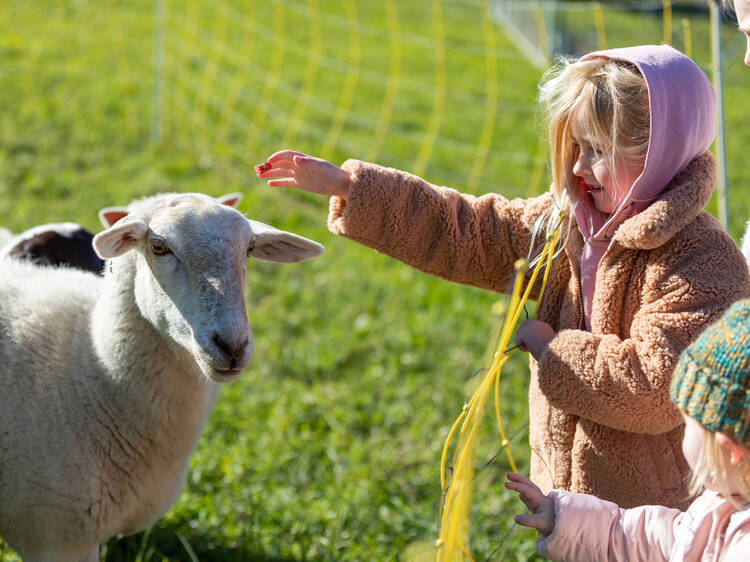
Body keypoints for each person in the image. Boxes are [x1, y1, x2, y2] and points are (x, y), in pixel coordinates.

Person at [256, 45, 750, 509]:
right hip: (566, 495)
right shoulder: (566, 223)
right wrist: (349, 186)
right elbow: (470, 233)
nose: (579, 166)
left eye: (599, 149)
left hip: (654, 516)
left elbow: (660, 385)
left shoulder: (701, 263)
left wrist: (552, 349)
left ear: (663, 150)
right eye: (576, 145)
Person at [505, 299, 750, 561]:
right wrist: (562, 519)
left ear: (729, 450)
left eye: (688, 422)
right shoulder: (721, 505)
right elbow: (653, 540)